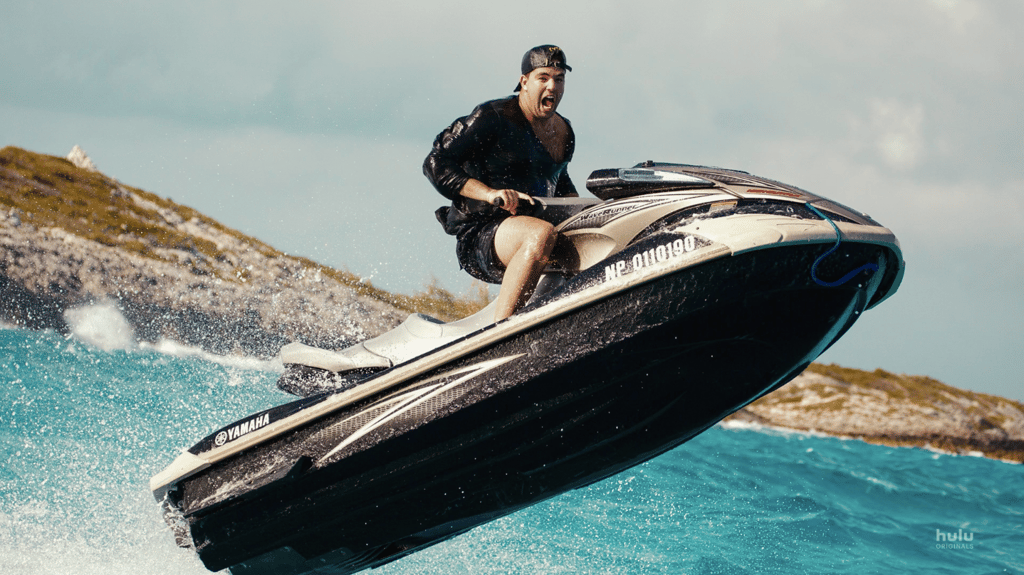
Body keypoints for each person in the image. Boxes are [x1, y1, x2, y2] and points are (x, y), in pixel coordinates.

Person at [424, 45, 577, 322]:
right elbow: (436, 162)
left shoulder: (563, 132)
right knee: (540, 235)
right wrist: (489, 193)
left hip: (534, 226)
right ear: (524, 82)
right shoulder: (492, 117)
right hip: (481, 235)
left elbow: (559, 180)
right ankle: (501, 334)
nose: (552, 86)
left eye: (559, 78)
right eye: (543, 77)